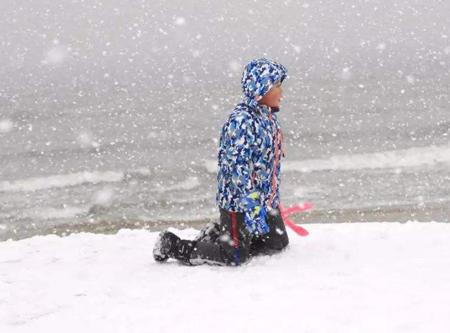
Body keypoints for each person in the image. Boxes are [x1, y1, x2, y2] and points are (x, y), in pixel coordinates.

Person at [153, 58, 289, 265]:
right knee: (234, 256)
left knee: (277, 242)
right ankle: (172, 244)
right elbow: (237, 170)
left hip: (264, 197)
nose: (281, 92)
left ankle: (219, 233)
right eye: (276, 86)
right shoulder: (241, 121)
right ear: (261, 89)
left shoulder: (267, 117)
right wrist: (252, 206)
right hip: (239, 199)